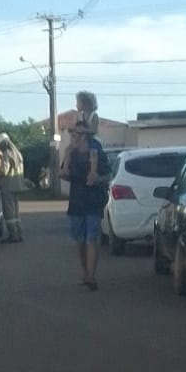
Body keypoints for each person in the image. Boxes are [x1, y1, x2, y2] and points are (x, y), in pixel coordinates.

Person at [61, 120, 105, 290]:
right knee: (80, 239)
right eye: (73, 133)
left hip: (93, 200)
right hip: (76, 201)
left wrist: (96, 178)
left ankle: (91, 276)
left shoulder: (97, 152)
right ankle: (85, 272)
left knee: (91, 238)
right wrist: (66, 159)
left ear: (86, 135)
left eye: (78, 134)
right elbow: (63, 174)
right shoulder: (70, 152)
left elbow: (107, 174)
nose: (74, 136)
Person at [0, 133, 25, 243]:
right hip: (18, 185)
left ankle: (13, 235)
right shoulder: (17, 153)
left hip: (8, 186)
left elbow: (4, 171)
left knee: (9, 213)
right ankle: (19, 233)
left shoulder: (6, 154)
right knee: (16, 212)